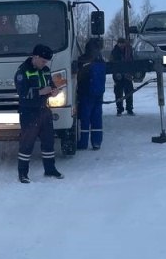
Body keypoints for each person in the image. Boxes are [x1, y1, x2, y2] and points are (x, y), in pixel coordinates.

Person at [14, 43, 64, 183]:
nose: (44, 64)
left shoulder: (46, 70)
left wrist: (54, 92)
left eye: (46, 62)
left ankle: (50, 169)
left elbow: (51, 86)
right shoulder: (22, 72)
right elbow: (22, 93)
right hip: (29, 112)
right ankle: (23, 173)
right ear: (35, 57)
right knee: (26, 143)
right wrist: (41, 91)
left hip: (44, 110)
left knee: (49, 142)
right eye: (42, 61)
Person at [75, 38, 107, 150]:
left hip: (86, 94)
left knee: (85, 118)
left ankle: (83, 143)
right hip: (98, 93)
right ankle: (97, 142)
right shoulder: (101, 60)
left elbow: (78, 77)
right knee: (97, 118)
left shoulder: (83, 61)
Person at [109, 37, 134, 115]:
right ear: (118, 43)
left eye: (123, 43)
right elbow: (112, 63)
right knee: (118, 93)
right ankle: (119, 109)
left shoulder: (129, 51)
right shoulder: (114, 52)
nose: (121, 45)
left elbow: (132, 62)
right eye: (120, 43)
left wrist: (130, 73)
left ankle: (129, 108)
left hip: (127, 74)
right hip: (118, 76)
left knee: (129, 92)